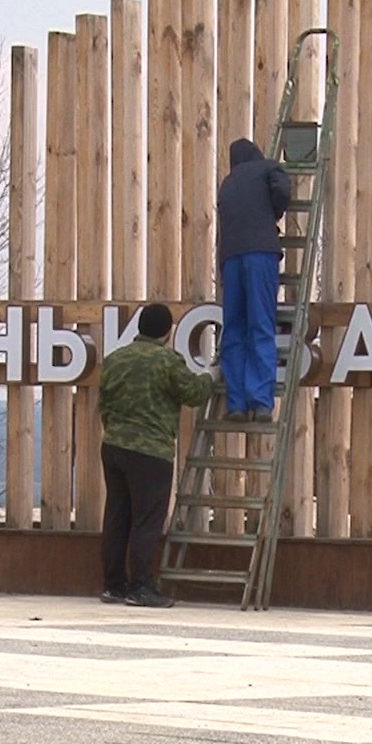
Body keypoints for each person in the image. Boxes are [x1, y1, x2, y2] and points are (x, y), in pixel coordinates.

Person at [98, 302, 214, 608]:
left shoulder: (115, 359)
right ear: (168, 331)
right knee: (146, 521)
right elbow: (194, 394)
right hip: (150, 452)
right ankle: (141, 587)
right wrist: (210, 376)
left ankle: (113, 585)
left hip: (113, 447)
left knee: (117, 517)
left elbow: (104, 403)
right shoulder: (167, 361)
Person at [217, 137, 292, 423]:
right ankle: (261, 402)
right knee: (261, 324)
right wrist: (275, 212)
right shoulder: (268, 168)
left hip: (230, 257)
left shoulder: (227, 183)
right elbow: (282, 189)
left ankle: (236, 404)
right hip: (260, 254)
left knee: (234, 328)